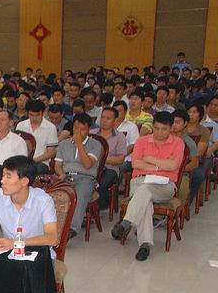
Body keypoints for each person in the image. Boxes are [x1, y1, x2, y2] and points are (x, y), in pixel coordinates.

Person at [111, 112, 185, 261]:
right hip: (140, 181)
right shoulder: (142, 141)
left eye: (164, 129)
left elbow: (173, 166)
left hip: (164, 185)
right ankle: (144, 245)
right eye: (156, 128)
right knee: (146, 199)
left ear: (171, 128)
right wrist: (161, 165)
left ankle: (126, 222)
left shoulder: (178, 143)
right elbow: (136, 164)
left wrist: (149, 159)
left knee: (145, 191)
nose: (159, 132)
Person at [0, 155, 59, 261]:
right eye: (3, 175)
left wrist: (15, 243)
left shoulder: (43, 200)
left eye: (8, 177)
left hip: (38, 255)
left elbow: (52, 238)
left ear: (24, 181)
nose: (2, 181)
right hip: (9, 254)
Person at [54, 114, 103, 239]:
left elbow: (87, 164)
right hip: (66, 175)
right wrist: (61, 174)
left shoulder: (95, 144)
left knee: (79, 196)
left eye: (82, 129)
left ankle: (72, 229)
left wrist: (79, 143)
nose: (78, 132)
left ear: (89, 130)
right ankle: (53, 227)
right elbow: (58, 165)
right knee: (52, 193)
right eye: (76, 128)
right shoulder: (64, 144)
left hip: (85, 177)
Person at [91, 107, 128, 210]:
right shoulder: (91, 133)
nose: (104, 120)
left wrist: (100, 158)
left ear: (115, 121)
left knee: (100, 183)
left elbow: (120, 160)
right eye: (102, 117)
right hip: (90, 166)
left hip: (110, 169)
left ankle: (96, 208)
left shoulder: (120, 137)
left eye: (108, 118)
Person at [16, 99, 58, 174]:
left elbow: (51, 152)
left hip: (41, 163)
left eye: (37, 115)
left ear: (43, 113)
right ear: (27, 113)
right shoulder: (20, 125)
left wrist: (32, 161)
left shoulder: (50, 128)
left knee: (31, 172)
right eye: (31, 115)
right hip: (21, 162)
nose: (34, 118)